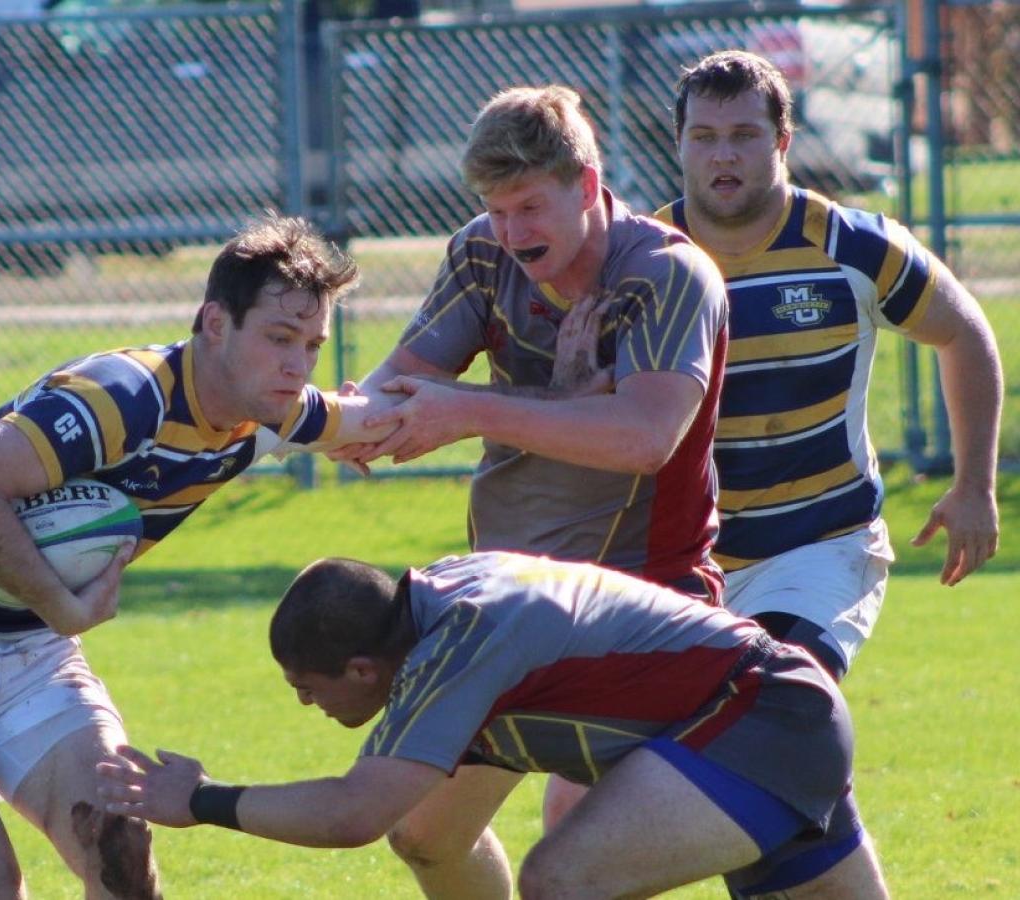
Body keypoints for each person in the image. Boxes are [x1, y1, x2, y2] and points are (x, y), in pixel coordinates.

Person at [0, 213, 398, 899]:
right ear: (216, 324)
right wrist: (61, 605)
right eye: (279, 338)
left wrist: (454, 407)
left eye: (312, 344)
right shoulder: (119, 399)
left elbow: (377, 415)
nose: (298, 365)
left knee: (120, 846)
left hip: (28, 648)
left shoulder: (272, 411)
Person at [331, 84, 730, 893]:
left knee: (576, 852)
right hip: (510, 611)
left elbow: (643, 437)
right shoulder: (482, 254)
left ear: (587, 187)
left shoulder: (665, 273)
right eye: (495, 210)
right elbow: (396, 391)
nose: (511, 233)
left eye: (529, 208)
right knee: (422, 833)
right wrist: (307, 413)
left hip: (639, 610)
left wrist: (470, 409)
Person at [97, 553, 891, 899]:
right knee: (427, 834)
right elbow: (395, 817)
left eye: (307, 689)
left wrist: (200, 799)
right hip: (750, 716)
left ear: (363, 670)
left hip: (765, 715)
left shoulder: (458, 646)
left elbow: (350, 814)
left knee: (560, 882)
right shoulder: (430, 614)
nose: (306, 705)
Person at [662, 50, 1003, 678]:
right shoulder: (645, 261)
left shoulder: (854, 245)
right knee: (647, 732)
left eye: (745, 135)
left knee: (776, 689)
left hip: (819, 547)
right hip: (681, 560)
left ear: (783, 141)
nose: (723, 155)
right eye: (704, 137)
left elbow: (964, 332)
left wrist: (975, 488)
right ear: (678, 143)